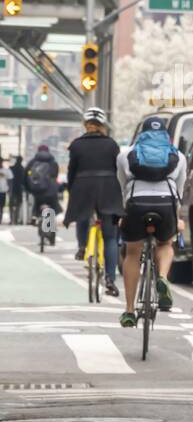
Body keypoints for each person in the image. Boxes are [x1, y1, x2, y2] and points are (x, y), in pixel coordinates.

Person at [116, 116, 186, 328]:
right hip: (166, 204)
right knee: (165, 243)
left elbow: (121, 186)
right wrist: (178, 219)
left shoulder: (125, 155)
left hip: (136, 203)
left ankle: (129, 310)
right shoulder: (179, 156)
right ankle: (162, 277)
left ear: (141, 135)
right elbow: (180, 191)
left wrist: (122, 213)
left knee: (133, 252)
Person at [65, 108, 125, 297]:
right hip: (109, 189)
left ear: (86, 125)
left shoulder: (76, 145)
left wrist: (71, 189)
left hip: (83, 186)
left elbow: (71, 172)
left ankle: (83, 247)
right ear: (103, 126)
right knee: (110, 237)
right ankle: (110, 279)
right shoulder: (112, 145)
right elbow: (117, 170)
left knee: (82, 214)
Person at [25, 144, 61, 241]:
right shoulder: (53, 162)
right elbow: (55, 175)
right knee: (52, 209)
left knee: (37, 203)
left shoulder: (33, 162)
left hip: (37, 191)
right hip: (50, 191)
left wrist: (29, 188)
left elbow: (26, 176)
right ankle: (52, 234)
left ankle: (34, 216)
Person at [8, 154, 24, 225]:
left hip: (13, 188)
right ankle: (16, 219)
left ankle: (12, 219)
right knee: (18, 205)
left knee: (11, 205)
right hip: (19, 189)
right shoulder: (23, 169)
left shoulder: (11, 168)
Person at [0, 158, 8, 222]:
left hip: (3, 191)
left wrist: (10, 189)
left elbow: (11, 179)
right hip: (3, 191)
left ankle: (0, 217)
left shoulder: (6, 170)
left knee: (1, 206)